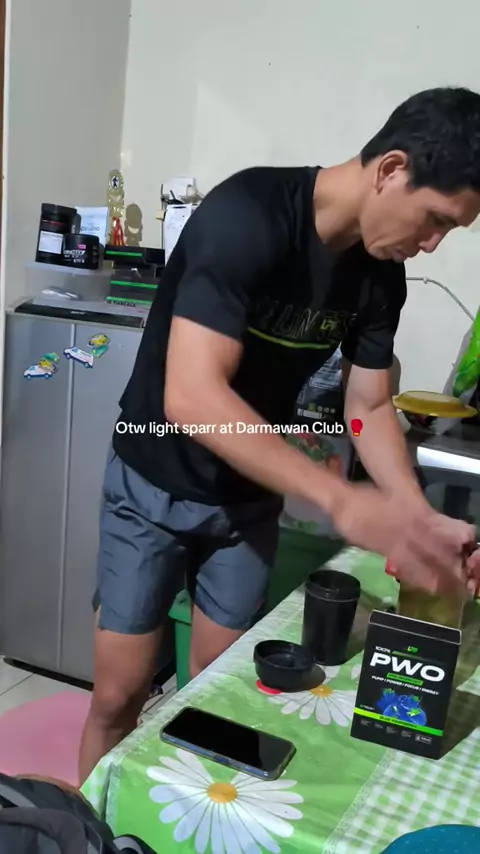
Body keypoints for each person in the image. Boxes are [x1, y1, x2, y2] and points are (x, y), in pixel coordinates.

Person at [79, 86, 480, 782]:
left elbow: (367, 405)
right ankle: (85, 825)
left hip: (247, 504)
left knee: (219, 698)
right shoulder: (248, 215)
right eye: (436, 219)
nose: (431, 244)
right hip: (152, 485)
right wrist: (343, 500)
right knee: (118, 696)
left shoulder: (380, 278)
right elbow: (192, 396)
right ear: (391, 170)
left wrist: (414, 518)